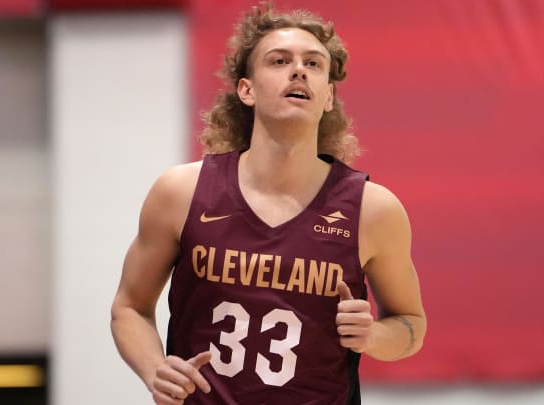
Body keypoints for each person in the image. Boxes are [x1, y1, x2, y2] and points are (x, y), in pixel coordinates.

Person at [110, 2, 427, 404]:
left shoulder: (373, 210)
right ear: (246, 89)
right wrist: (154, 367)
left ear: (328, 95)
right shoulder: (181, 192)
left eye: (314, 64)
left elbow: (411, 323)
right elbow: (129, 307)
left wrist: (376, 336)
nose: (299, 70)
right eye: (279, 61)